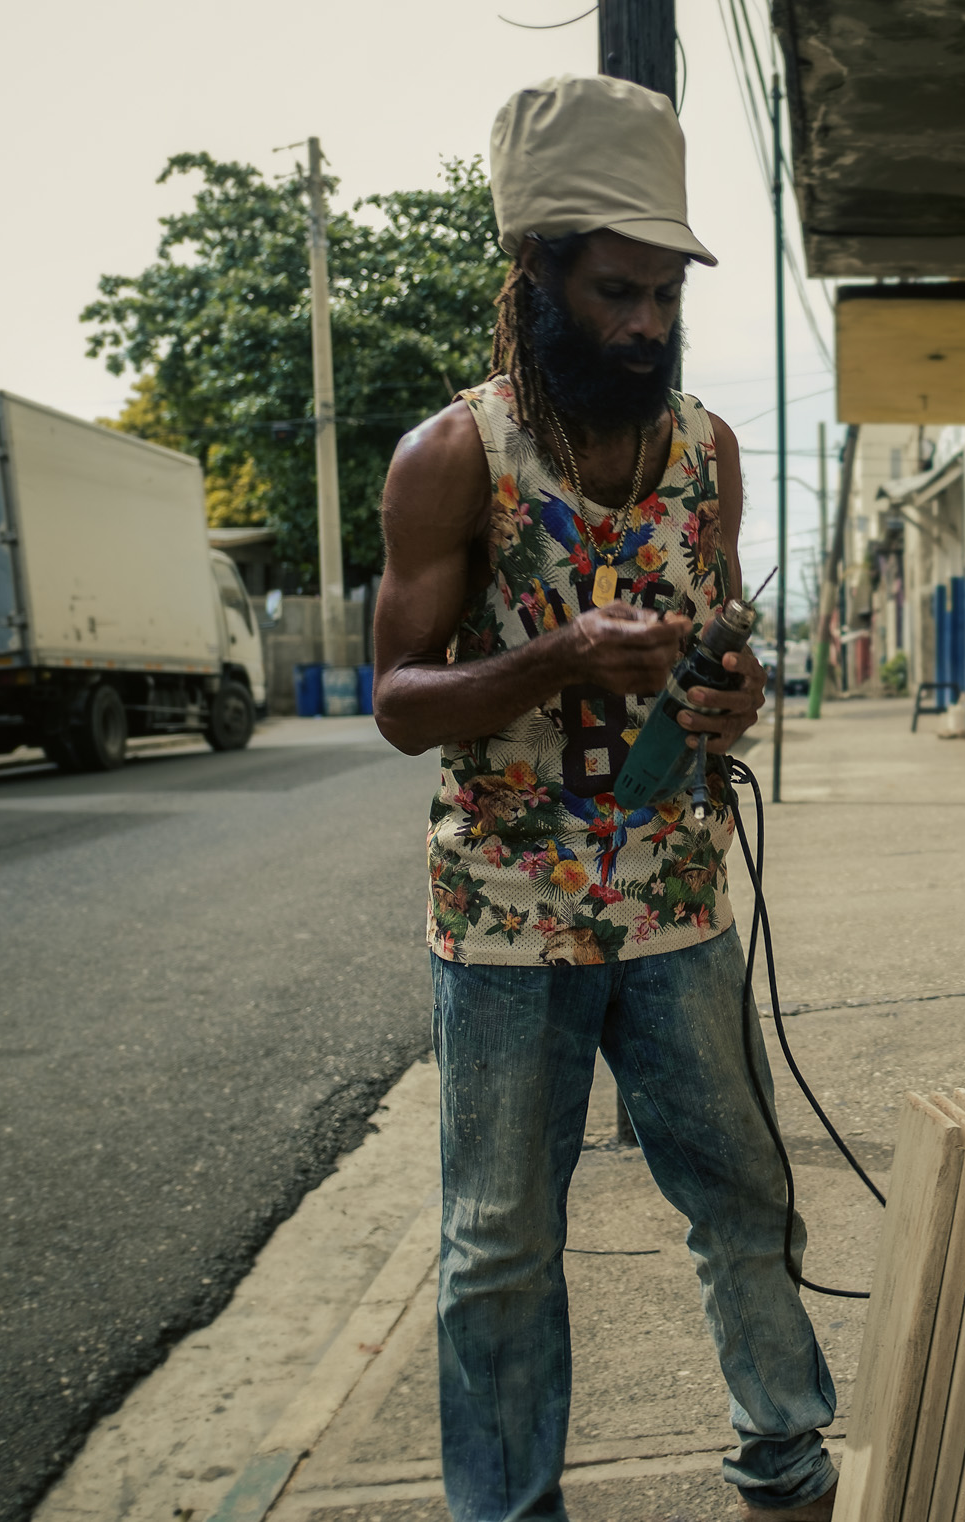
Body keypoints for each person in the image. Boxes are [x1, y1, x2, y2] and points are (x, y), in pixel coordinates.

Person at [371, 76, 838, 1521]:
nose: (645, 322)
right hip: (506, 922)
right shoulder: (454, 458)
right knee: (502, 1239)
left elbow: (730, 640)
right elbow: (397, 700)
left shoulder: (710, 457)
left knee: (743, 1196)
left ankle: (789, 1455)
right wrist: (562, 653)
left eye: (664, 296)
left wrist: (728, 694)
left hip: (675, 899)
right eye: (616, 291)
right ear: (540, 282)